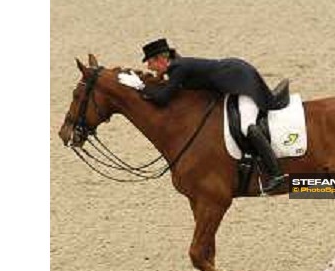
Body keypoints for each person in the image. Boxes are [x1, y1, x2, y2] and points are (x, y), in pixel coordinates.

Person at [119, 38, 288, 191]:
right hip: (232, 79)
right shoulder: (176, 67)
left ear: (161, 59)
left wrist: (140, 87)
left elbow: (163, 98)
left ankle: (276, 175)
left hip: (241, 81)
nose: (148, 67)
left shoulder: (178, 68)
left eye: (150, 62)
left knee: (247, 127)